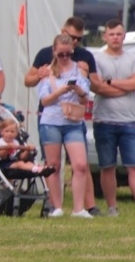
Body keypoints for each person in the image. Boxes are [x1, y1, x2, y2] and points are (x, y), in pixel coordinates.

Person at [89, 19, 135, 219]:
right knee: (107, 167)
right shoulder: (97, 59)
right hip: (104, 120)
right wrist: (125, 85)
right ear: (104, 36)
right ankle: (112, 208)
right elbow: (97, 87)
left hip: (129, 122)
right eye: (111, 34)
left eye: (119, 34)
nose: (115, 38)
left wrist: (111, 83)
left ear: (124, 36)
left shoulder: (134, 58)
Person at [35, 34, 94, 219]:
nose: (65, 58)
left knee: (80, 165)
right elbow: (44, 100)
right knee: (53, 165)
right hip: (51, 121)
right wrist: (61, 90)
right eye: (61, 54)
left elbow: (86, 99)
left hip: (73, 122)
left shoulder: (80, 70)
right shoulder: (47, 72)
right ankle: (57, 207)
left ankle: (78, 208)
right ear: (54, 52)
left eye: (68, 54)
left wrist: (78, 90)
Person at [24, 16, 97, 87]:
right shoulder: (44, 53)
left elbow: (97, 87)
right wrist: (39, 76)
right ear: (62, 32)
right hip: (50, 98)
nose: (75, 41)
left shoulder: (86, 55)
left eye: (79, 39)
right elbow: (27, 81)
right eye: (72, 37)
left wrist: (86, 74)